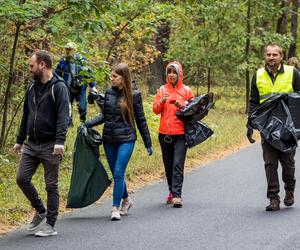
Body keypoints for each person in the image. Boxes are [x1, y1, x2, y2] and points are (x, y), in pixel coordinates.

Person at [13, 50, 70, 236]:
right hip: (32, 144)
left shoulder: (59, 87)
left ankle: (51, 224)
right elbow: (26, 115)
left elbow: (63, 117)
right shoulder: (31, 87)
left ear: (42, 65)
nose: (30, 69)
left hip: (51, 144)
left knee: (51, 185)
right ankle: (40, 210)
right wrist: (19, 140)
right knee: (22, 178)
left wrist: (60, 142)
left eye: (31, 65)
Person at [85, 63, 152, 220]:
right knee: (117, 174)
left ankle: (115, 208)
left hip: (127, 138)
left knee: (119, 171)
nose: (112, 79)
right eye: (111, 76)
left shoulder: (134, 95)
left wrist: (148, 143)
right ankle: (127, 200)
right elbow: (104, 116)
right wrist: (87, 124)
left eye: (115, 76)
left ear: (124, 78)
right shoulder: (108, 92)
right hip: (109, 138)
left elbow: (141, 120)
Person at [247, 43, 300, 211]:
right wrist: (250, 125)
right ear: (265, 56)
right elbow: (254, 102)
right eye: (268, 54)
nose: (271, 58)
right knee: (270, 163)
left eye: (274, 55)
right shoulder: (258, 75)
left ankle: (289, 189)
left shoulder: (293, 73)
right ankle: (273, 198)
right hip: (266, 126)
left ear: (281, 57)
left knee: (288, 164)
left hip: (287, 127)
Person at [153, 61, 194, 208]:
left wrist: (181, 105)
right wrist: (162, 102)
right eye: (169, 72)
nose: (171, 75)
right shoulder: (162, 90)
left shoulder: (187, 91)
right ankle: (171, 191)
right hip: (164, 134)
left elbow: (193, 110)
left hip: (181, 134)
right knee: (168, 165)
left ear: (179, 74)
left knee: (177, 164)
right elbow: (155, 110)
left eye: (174, 72)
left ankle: (177, 195)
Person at [55, 42, 97, 123]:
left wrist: (92, 86)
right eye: (66, 49)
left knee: (82, 107)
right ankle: (69, 125)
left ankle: (83, 122)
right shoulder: (63, 60)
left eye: (69, 49)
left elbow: (89, 73)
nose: (67, 51)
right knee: (67, 108)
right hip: (68, 89)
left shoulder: (82, 60)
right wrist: (59, 84)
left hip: (80, 89)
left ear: (74, 50)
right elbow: (57, 73)